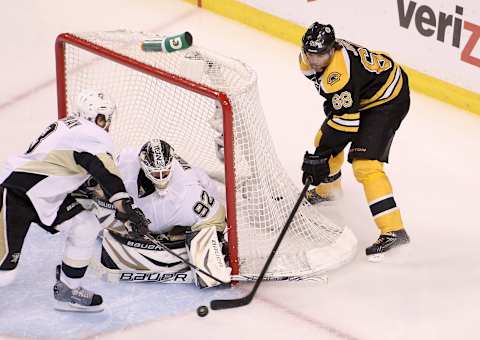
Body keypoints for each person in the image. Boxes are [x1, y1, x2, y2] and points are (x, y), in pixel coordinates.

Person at [0, 89, 149, 312]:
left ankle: (69, 290)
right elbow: (104, 171)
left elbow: (74, 169)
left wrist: (110, 200)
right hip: (15, 192)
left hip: (47, 196)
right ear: (93, 117)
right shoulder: (92, 135)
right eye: (103, 118)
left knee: (85, 226)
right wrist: (123, 204)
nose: (107, 123)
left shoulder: (69, 126)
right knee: (4, 276)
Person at [299, 22, 410, 260]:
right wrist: (324, 151)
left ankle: (393, 230)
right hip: (363, 93)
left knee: (365, 164)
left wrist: (321, 155)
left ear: (332, 49)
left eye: (321, 54)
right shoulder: (307, 62)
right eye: (311, 53)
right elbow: (340, 111)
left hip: (387, 99)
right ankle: (328, 190)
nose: (315, 60)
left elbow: (347, 125)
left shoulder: (339, 73)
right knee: (324, 138)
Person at [88, 139, 231, 288]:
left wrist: (212, 242)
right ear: (144, 166)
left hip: (193, 199)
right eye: (156, 173)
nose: (162, 177)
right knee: (100, 203)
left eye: (165, 171)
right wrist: (124, 213)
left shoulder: (188, 190)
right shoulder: (128, 162)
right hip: (150, 206)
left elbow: (216, 214)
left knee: (211, 222)